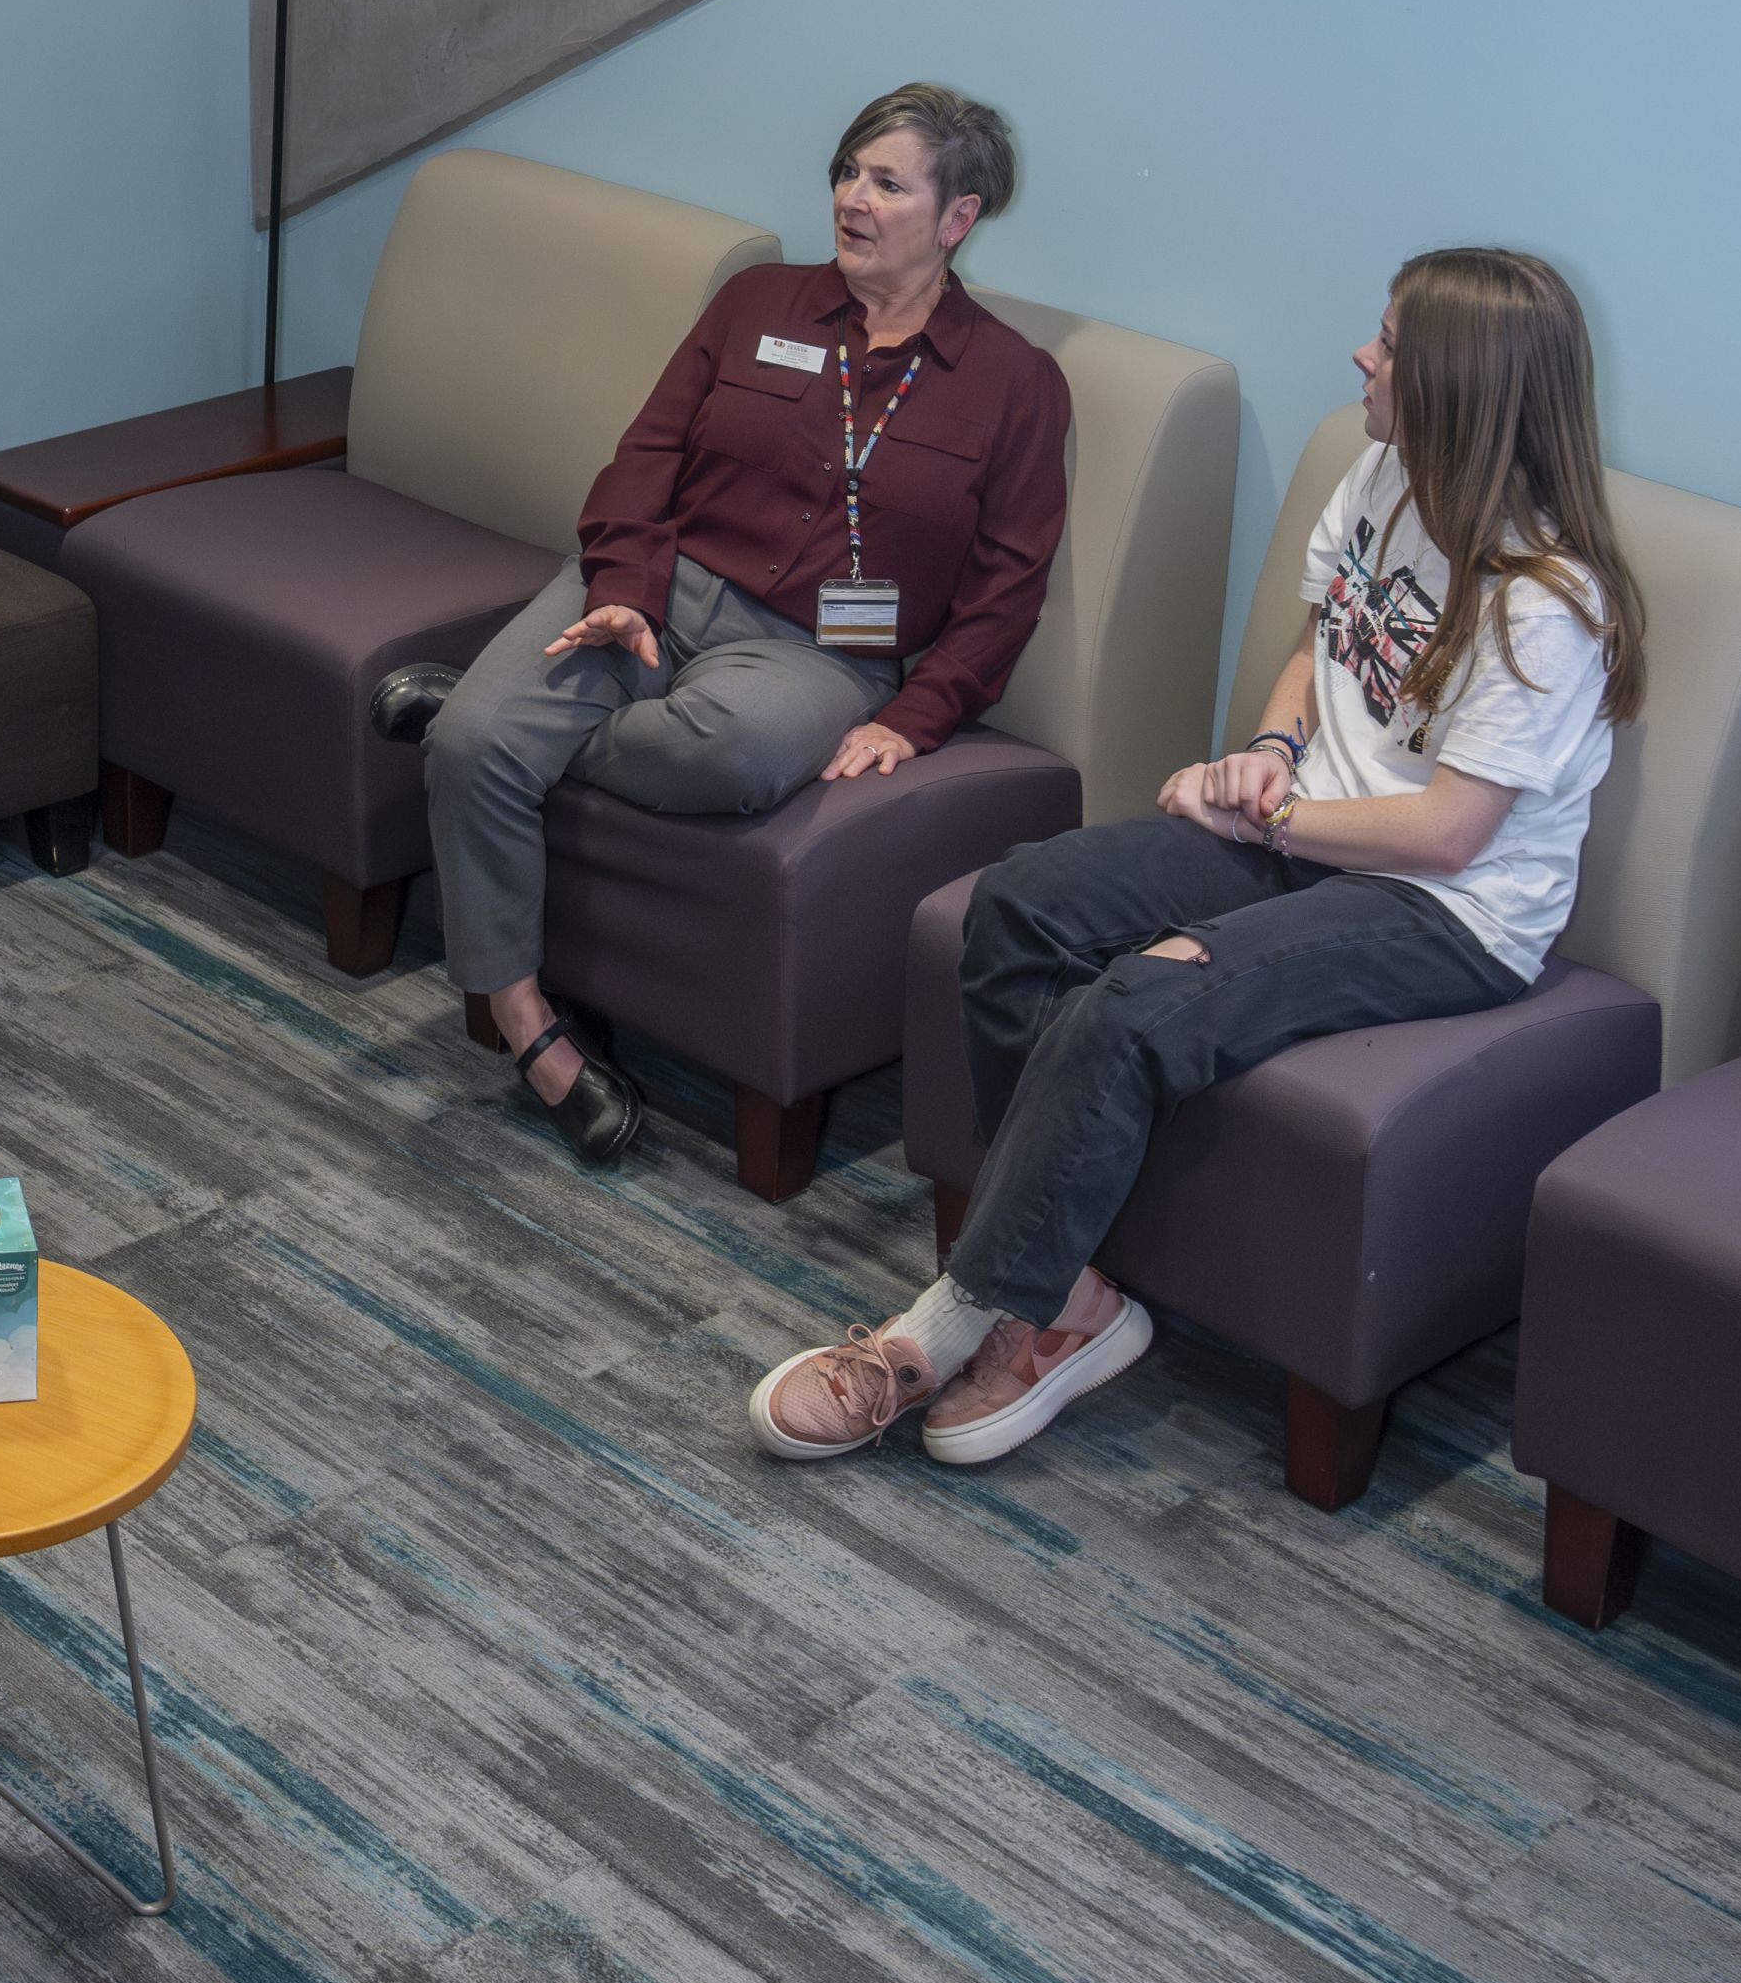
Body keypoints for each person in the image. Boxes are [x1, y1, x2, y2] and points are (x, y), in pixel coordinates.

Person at [754, 246, 1646, 1467]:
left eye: (1386, 342)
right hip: (1313, 831)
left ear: (1453, 384)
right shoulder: (1382, 469)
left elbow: (1447, 831)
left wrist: (1258, 818)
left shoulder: (1544, 598)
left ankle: (947, 1326)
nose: (1360, 355)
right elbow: (1318, 639)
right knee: (1015, 906)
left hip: (1445, 910)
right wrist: (1274, 746)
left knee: (1135, 1001)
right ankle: (1067, 1300)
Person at [373, 84, 1070, 1165]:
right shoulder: (759, 304)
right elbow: (646, 456)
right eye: (847, 171)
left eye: (887, 183)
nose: (852, 198)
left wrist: (924, 709)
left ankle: (478, 718)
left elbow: (1007, 585)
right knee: (476, 745)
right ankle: (529, 1025)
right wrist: (623, 585)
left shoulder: (1015, 384)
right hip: (660, 580)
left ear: (957, 216)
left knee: (726, 751)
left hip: (822, 648)